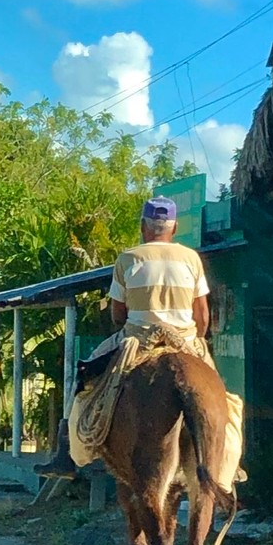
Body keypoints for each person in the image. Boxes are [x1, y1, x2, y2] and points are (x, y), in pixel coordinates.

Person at [35, 195, 215, 480]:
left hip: (138, 339)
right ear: (174, 227)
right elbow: (202, 314)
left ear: (144, 226)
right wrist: (197, 342)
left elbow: (118, 315)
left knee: (82, 377)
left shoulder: (128, 258)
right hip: (186, 340)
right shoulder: (191, 259)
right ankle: (228, 462)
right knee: (223, 398)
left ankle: (66, 454)